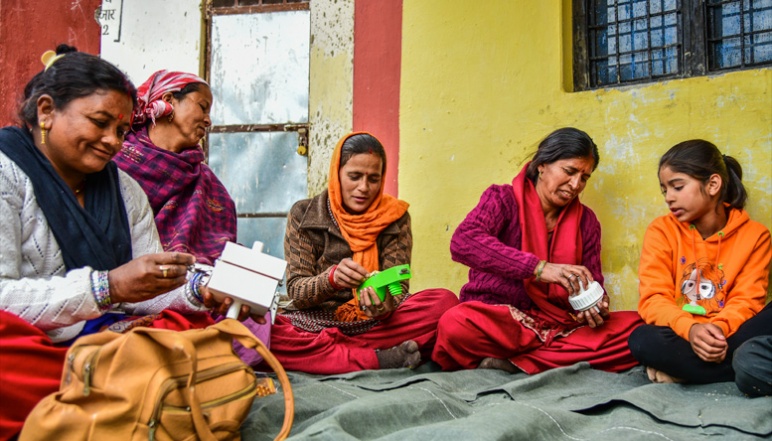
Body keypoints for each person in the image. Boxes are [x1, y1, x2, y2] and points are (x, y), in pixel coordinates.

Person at [0, 46, 249, 439]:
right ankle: (117, 392)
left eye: (120, 129)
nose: (113, 141)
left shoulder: (124, 188)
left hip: (101, 338)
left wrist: (201, 289)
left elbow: (144, 291)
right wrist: (107, 286)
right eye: (100, 123)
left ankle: (101, 394)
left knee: (189, 322)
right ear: (46, 111)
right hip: (32, 348)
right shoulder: (6, 173)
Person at [432, 127, 643, 374]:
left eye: (584, 177)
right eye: (570, 171)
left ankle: (516, 363)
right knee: (456, 323)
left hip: (559, 326)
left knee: (637, 329)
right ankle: (550, 361)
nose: (576, 184)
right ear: (542, 164)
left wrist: (596, 306)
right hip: (502, 323)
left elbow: (592, 280)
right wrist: (539, 268)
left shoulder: (587, 222)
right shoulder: (502, 199)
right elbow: (464, 242)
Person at [265, 132, 458, 374]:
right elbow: (296, 291)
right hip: (315, 321)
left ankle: (331, 353)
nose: (363, 188)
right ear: (337, 173)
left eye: (373, 179)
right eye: (354, 177)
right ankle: (376, 357)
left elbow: (398, 289)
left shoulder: (395, 218)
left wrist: (384, 305)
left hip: (374, 323)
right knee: (262, 329)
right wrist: (331, 279)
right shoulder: (304, 214)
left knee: (443, 303)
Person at [628, 140, 771, 391]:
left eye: (678, 187)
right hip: (682, 335)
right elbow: (653, 299)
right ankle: (730, 369)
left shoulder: (756, 236)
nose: (669, 198)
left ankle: (687, 373)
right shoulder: (661, 230)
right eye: (665, 191)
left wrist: (716, 330)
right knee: (642, 340)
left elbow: (747, 301)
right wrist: (691, 329)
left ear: (713, 184)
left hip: (730, 335)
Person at [113, 69, 236, 266]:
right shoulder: (114, 162)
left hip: (190, 290)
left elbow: (221, 256)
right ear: (169, 99)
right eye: (202, 107)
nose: (208, 120)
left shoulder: (208, 184)